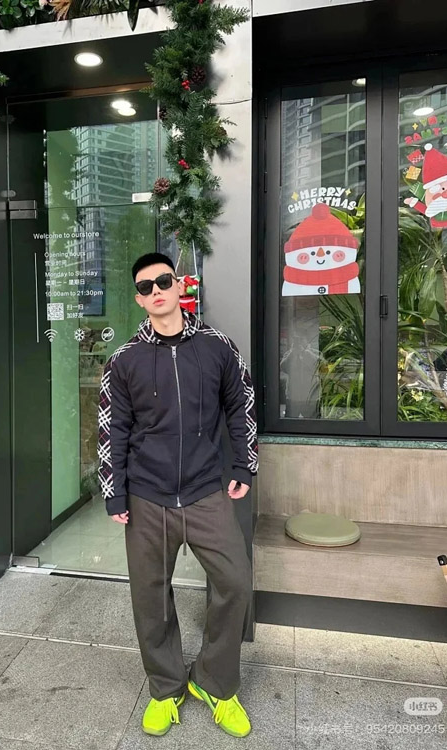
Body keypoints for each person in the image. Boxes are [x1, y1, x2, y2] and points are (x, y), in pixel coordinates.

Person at [97, 252, 259, 738]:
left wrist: (244, 464)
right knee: (150, 597)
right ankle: (166, 688)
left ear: (179, 285)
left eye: (163, 281)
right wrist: (114, 492)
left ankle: (214, 682)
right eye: (145, 287)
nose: (155, 291)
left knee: (235, 582)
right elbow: (111, 428)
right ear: (138, 299)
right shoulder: (124, 360)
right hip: (148, 496)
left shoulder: (217, 346)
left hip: (207, 490)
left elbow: (242, 404)